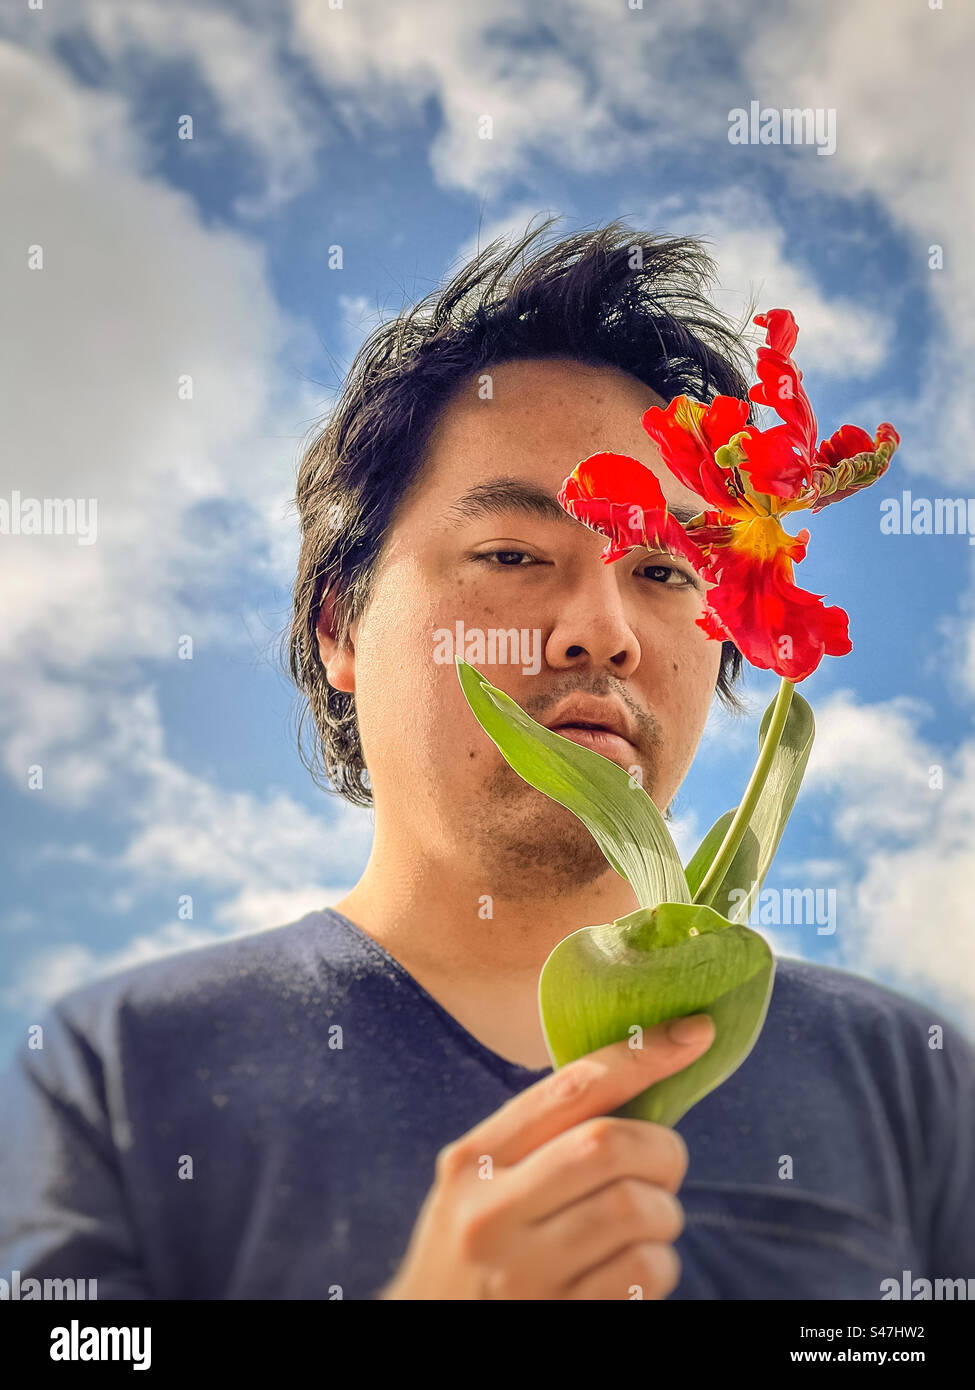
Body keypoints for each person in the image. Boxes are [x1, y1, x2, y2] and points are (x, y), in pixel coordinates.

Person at [1, 219, 972, 1301]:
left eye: (665, 569)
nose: (602, 630)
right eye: (511, 554)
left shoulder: (907, 1076)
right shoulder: (123, 1073)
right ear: (339, 629)